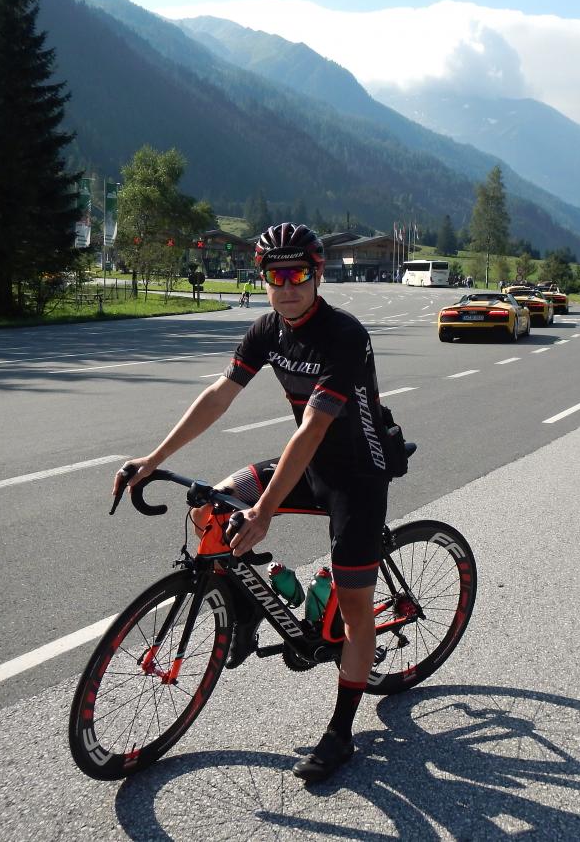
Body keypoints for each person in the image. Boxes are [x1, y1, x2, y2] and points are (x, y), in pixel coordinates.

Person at [115, 223, 395, 783]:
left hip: (357, 475)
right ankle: (243, 611)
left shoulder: (343, 334)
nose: (286, 286)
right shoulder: (269, 327)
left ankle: (342, 733)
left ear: (317, 275)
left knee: (356, 606)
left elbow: (313, 427)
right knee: (211, 505)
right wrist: (151, 458)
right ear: (262, 278)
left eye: (297, 274)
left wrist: (265, 511)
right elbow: (219, 394)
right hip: (308, 465)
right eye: (275, 275)